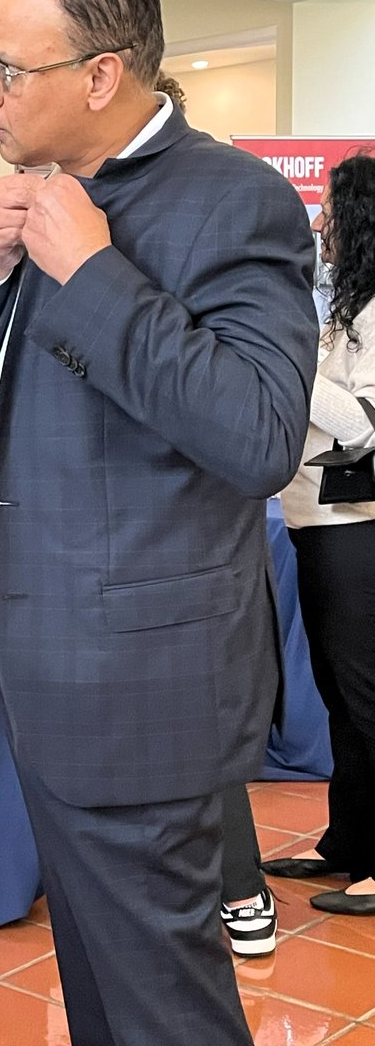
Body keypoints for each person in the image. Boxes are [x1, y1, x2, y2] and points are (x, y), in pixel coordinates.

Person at [0, 0, 318, 1044]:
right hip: (46, 657)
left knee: (164, 1006)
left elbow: (256, 435)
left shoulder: (231, 200)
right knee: (101, 986)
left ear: (100, 76)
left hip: (141, 682)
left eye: (10, 68)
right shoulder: (48, 198)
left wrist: (96, 275)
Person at [156, 68, 279, 956]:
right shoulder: (39, 229)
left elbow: (256, 434)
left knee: (200, 762)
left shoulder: (235, 215)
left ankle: (242, 894)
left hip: (193, 570)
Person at [263, 153, 375, 916]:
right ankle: (348, 843)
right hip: (316, 523)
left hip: (356, 532)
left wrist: (288, 357)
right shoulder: (347, 309)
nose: (321, 225)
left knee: (366, 697)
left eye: (333, 213)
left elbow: (363, 427)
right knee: (339, 694)